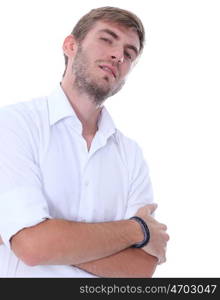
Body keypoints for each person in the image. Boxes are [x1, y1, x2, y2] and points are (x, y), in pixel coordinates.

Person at [0, 6, 169, 277]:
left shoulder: (131, 156)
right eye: (107, 39)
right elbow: (33, 247)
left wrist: (39, 240)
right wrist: (139, 229)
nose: (118, 56)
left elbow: (141, 269)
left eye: (129, 53)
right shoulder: (14, 124)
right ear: (70, 45)